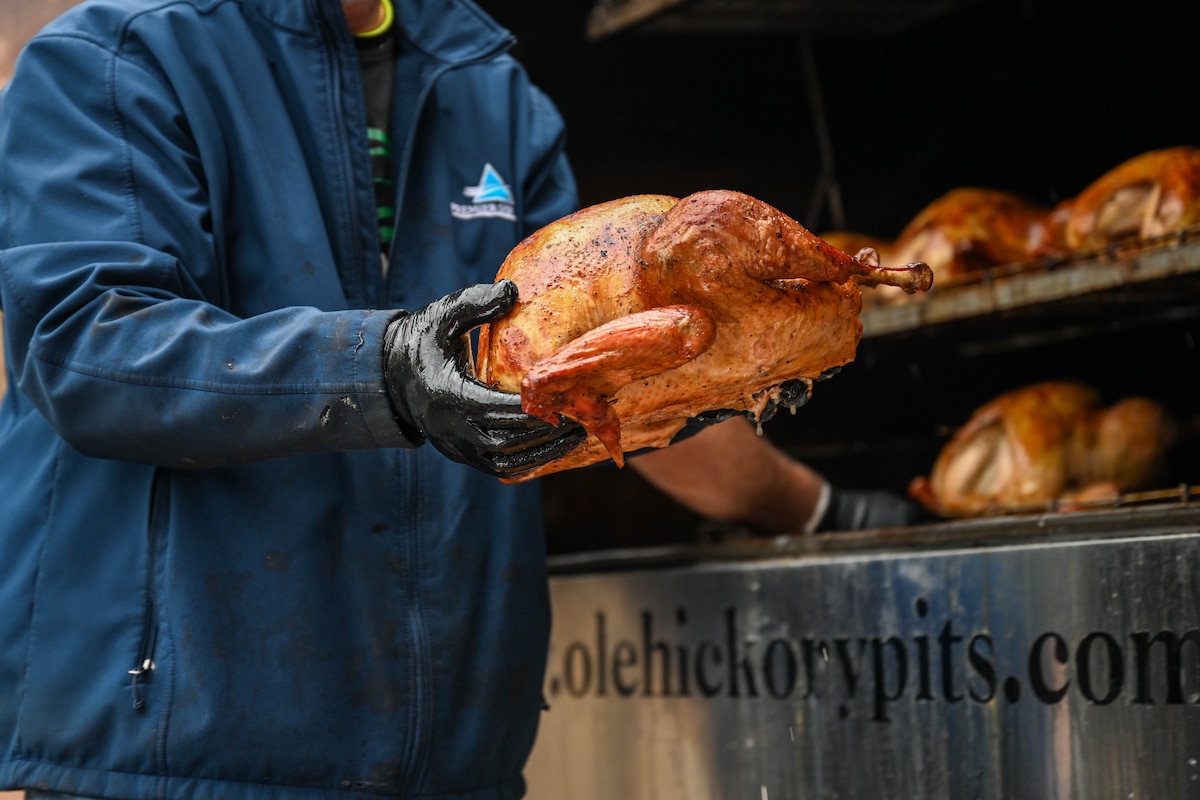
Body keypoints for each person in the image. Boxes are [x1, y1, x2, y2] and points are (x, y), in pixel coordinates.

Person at [0, 1, 918, 799]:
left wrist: (820, 507)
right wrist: (387, 369)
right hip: (183, 756)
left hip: (453, 761)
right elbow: (88, 345)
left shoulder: (495, 95)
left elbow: (608, 376)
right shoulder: (119, 56)